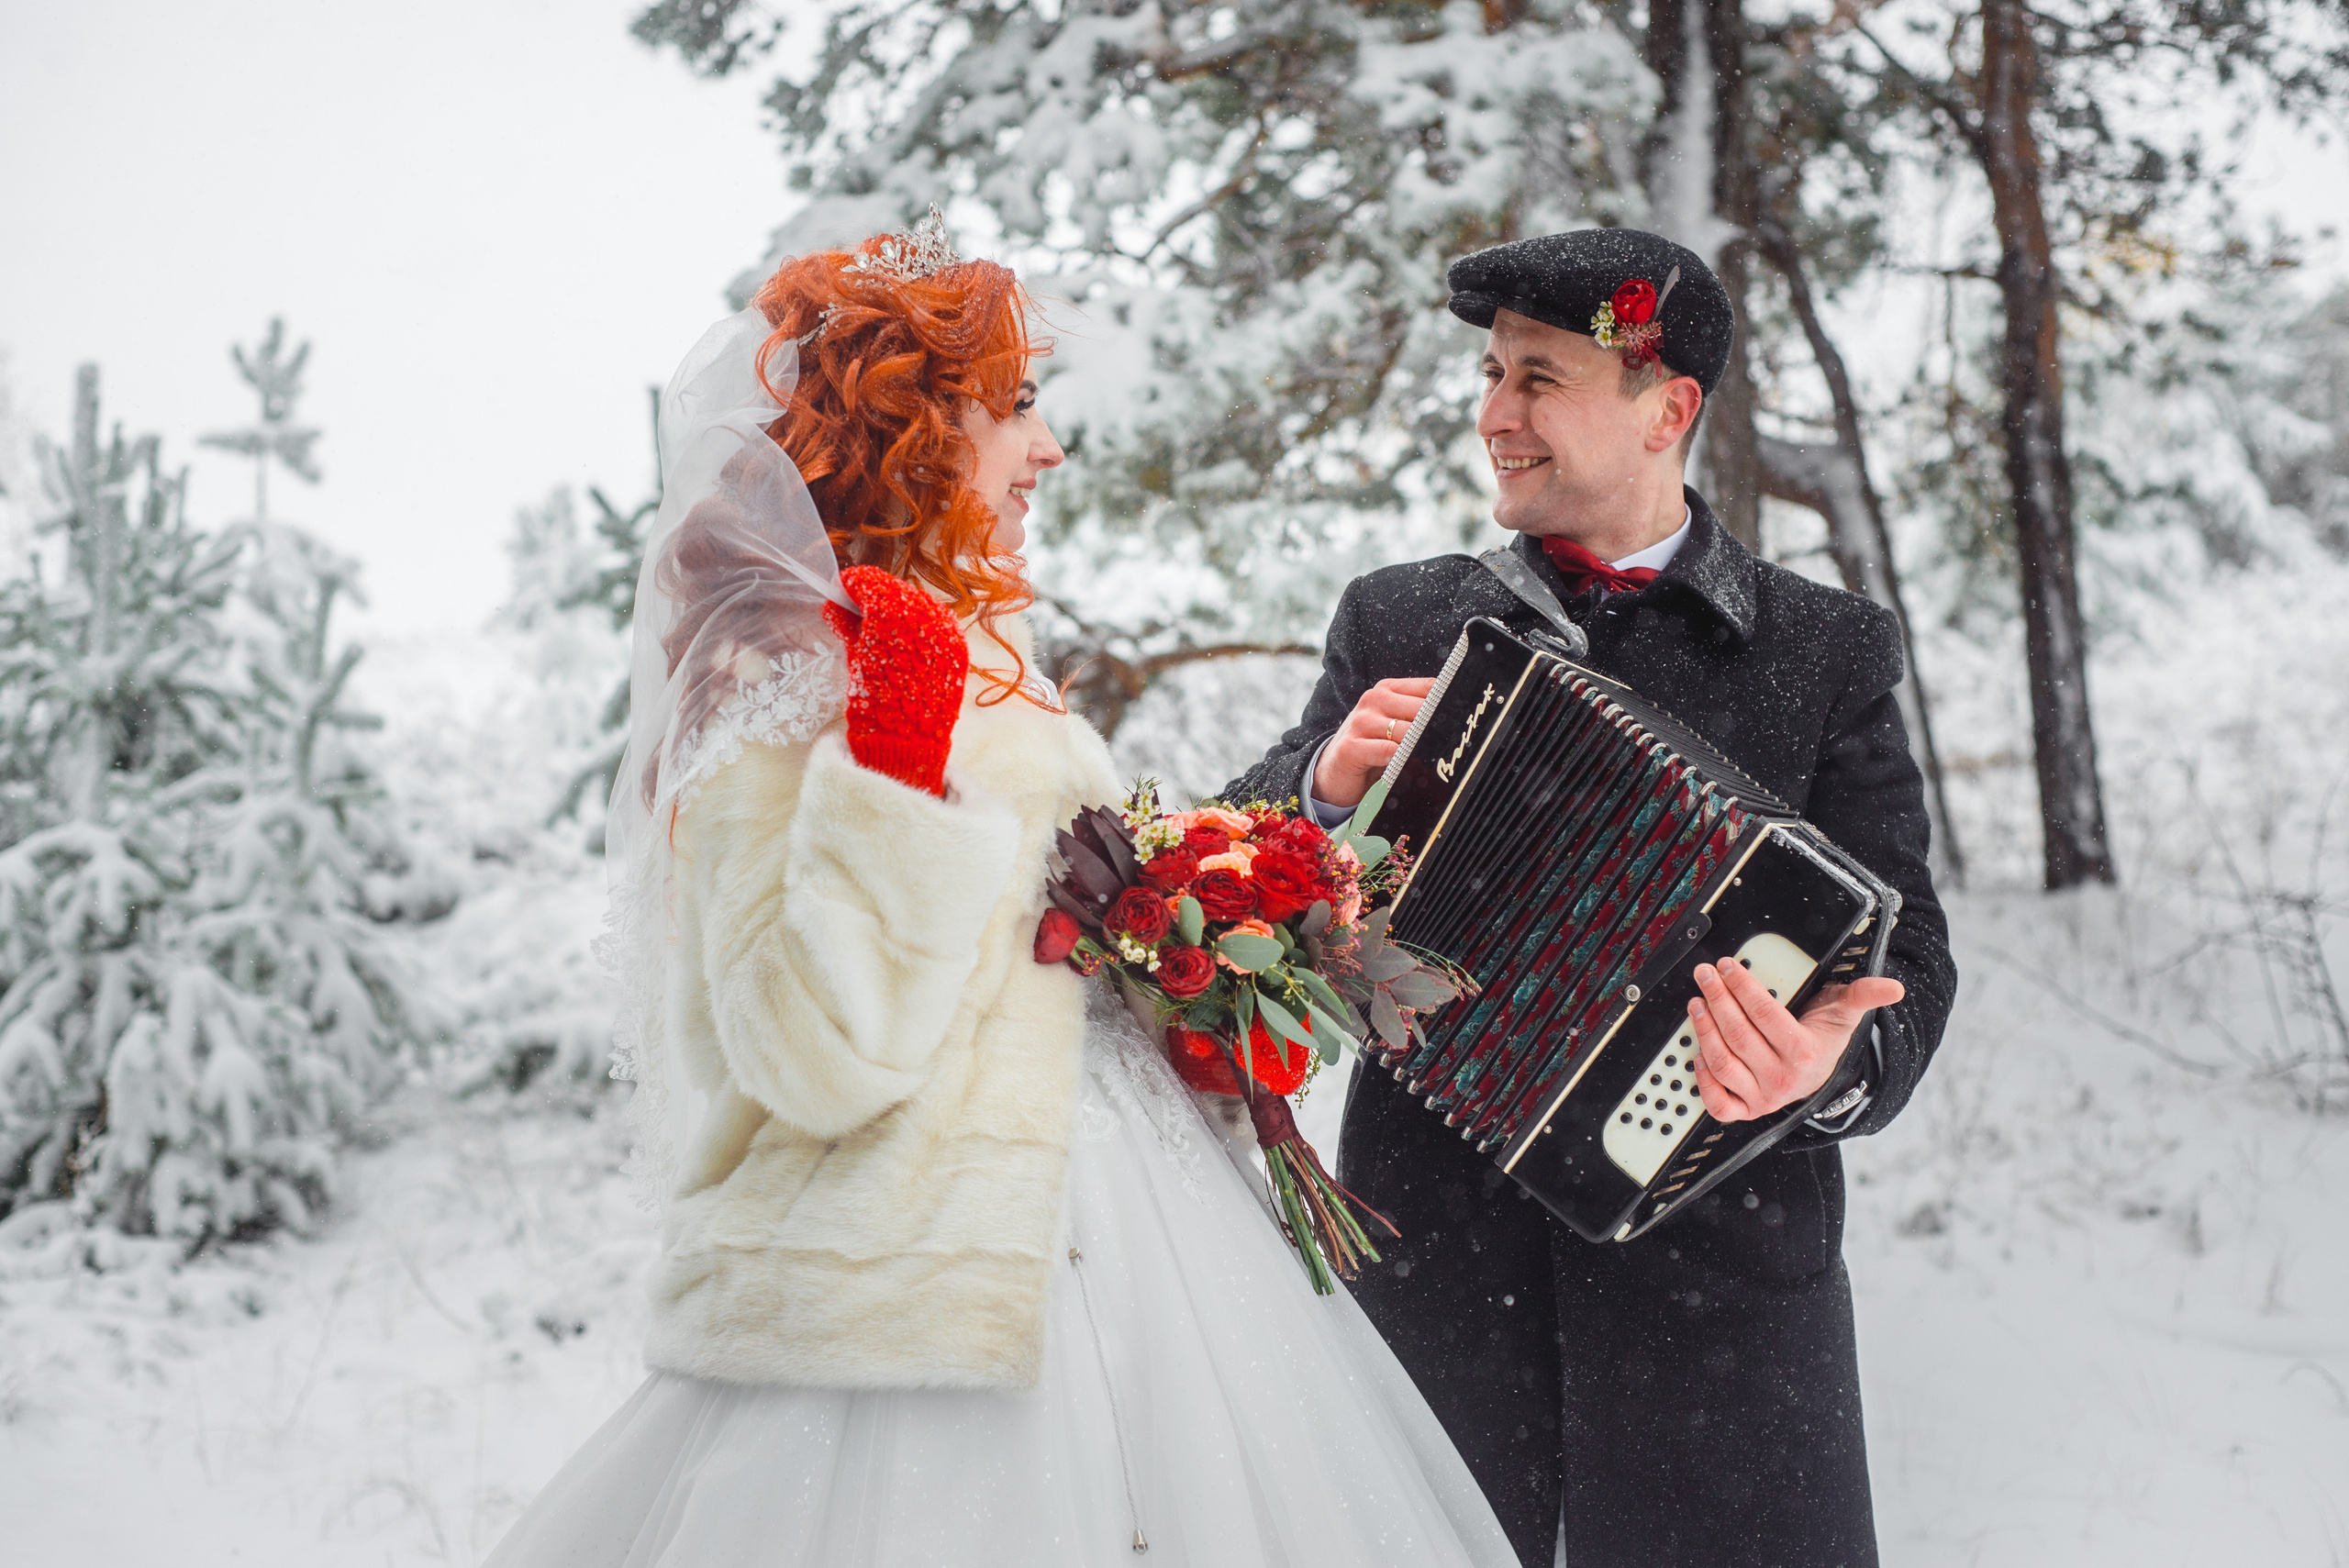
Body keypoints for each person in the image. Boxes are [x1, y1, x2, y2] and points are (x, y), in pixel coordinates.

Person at [483, 213, 1522, 1568]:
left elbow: (1020, 971)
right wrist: (893, 779)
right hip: (906, 1307)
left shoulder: (989, 650)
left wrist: (1201, 965)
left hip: (1148, 1262)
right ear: (913, 424)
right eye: (1017, 407)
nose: (1051, 448)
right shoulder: (781, 675)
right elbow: (807, 1053)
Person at [1223, 228, 1957, 1568]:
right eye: (1491, 374)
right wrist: (1322, 785)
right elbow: (1231, 887)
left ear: (1666, 407)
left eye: (1540, 378)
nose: (1493, 414)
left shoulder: (1823, 650)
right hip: (1441, 1275)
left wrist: (1828, 1060)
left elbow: (1911, 962)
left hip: (1726, 1310)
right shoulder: (1400, 619)